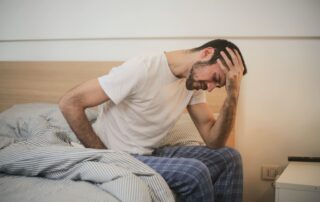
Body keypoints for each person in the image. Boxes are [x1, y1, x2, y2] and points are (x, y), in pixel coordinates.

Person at [59, 39, 247, 202]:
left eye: (219, 85)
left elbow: (214, 141)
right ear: (206, 53)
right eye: (215, 78)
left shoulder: (193, 84)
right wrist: (104, 155)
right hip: (119, 154)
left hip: (149, 153)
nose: (211, 88)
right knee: (195, 172)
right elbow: (70, 103)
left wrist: (233, 95)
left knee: (230, 158)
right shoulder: (142, 69)